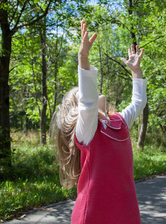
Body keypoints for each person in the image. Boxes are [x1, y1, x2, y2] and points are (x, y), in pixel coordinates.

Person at [52, 20, 147, 224]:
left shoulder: (118, 123)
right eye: (84, 94)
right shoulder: (87, 131)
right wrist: (83, 59)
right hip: (93, 216)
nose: (93, 94)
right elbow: (88, 102)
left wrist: (136, 72)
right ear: (80, 109)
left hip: (126, 212)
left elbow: (138, 102)